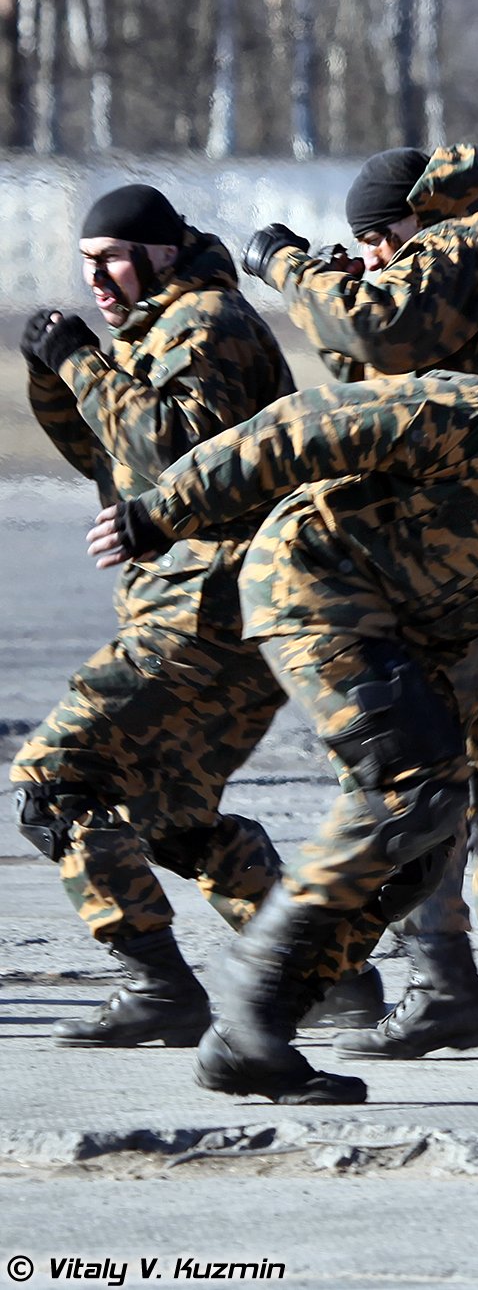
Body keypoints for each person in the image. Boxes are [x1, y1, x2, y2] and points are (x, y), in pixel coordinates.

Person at [87, 366, 478, 1103]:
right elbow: (304, 427)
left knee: (424, 845)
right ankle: (248, 997)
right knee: (413, 791)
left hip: (406, 643)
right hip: (311, 582)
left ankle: (254, 1038)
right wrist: (165, 510)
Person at [238, 144, 478, 1059]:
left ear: (415, 218)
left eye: (374, 238)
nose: (366, 259)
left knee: (420, 762)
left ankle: (442, 983)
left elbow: (376, 334)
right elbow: (375, 368)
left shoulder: (468, 239)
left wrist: (285, 260)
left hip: (467, 550)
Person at [11, 185, 297, 1047]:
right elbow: (107, 456)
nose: (98, 277)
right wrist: (55, 370)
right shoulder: (162, 326)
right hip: (212, 612)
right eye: (88, 260)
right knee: (173, 818)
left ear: (164, 253)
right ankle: (325, 976)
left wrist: (81, 363)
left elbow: (174, 454)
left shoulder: (206, 322)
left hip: (205, 613)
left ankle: (160, 987)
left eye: (115, 258)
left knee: (56, 775)